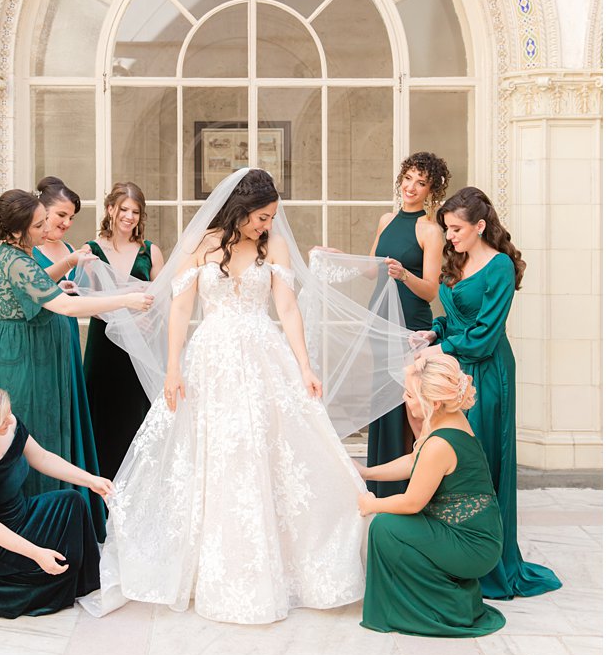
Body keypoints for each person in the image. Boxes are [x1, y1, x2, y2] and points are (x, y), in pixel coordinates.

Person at [92, 168, 405, 624]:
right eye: (261, 217)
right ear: (240, 210)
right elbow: (180, 308)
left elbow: (286, 307)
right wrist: (173, 367)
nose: (267, 225)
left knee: (274, 453)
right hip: (211, 359)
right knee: (216, 454)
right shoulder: (201, 244)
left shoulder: (273, 245)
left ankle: (294, 563)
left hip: (263, 356)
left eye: (271, 217)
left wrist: (303, 365)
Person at [410, 187, 561, 600]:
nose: (450, 236)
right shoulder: (456, 259)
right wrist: (433, 331)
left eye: (456, 229)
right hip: (455, 367)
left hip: (488, 374)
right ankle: (451, 553)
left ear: (480, 225)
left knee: (479, 462)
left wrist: (443, 347)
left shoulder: (498, 268)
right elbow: (455, 318)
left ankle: (488, 562)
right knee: (447, 459)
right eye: (446, 229)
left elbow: (485, 336)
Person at [0, 190, 151, 533]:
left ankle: (44, 522)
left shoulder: (14, 255)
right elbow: (67, 307)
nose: (46, 230)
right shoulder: (17, 262)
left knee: (41, 433)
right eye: (39, 225)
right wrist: (124, 299)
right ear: (16, 231)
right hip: (21, 359)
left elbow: (41, 282)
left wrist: (66, 267)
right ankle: (33, 527)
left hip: (29, 352)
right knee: (29, 436)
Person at [357, 352, 506, 637]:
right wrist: (367, 472)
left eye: (410, 395)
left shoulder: (440, 441)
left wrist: (372, 503)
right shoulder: (446, 420)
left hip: (473, 546)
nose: (405, 398)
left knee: (385, 527)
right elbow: (415, 462)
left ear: (433, 402)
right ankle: (434, 599)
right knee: (390, 525)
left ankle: (438, 607)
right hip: (470, 534)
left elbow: (412, 503)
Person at [0, 377, 110, 619]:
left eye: (8, 412)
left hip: (20, 514)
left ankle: (82, 583)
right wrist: (37, 553)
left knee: (72, 501)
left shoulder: (7, 425)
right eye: (1, 418)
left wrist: (91, 480)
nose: (10, 420)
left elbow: (42, 458)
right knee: (49, 563)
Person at [360, 153, 449, 496]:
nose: (411, 187)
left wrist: (404, 274)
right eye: (408, 178)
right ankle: (381, 483)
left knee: (406, 400)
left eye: (421, 183)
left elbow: (430, 290)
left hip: (410, 323)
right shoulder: (386, 220)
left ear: (431, 191)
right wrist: (335, 256)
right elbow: (370, 269)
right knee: (381, 399)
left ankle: (407, 487)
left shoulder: (431, 231)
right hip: (379, 318)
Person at [30, 176, 104, 528]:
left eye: (71, 217)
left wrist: (70, 287)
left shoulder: (68, 247)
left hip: (67, 334)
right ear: (41, 210)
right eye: (61, 214)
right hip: (41, 341)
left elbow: (62, 293)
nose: (66, 223)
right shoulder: (29, 249)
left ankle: (75, 502)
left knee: (68, 411)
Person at [82, 182, 165, 479]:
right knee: (100, 413)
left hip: (138, 349)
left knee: (135, 415)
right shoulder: (90, 251)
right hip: (103, 346)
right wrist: (123, 314)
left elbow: (162, 298)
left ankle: (135, 487)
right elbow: (83, 299)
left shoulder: (150, 252)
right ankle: (99, 489)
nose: (129, 217)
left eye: (135, 211)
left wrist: (148, 315)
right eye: (124, 210)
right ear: (110, 210)